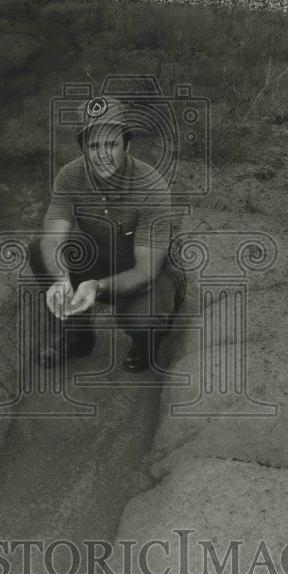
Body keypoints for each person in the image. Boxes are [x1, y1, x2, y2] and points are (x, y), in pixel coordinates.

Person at [29, 95, 186, 373]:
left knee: (141, 319)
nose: (102, 155)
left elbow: (146, 271)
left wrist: (97, 287)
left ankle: (147, 341)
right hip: (102, 256)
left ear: (127, 144)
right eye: (94, 145)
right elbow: (53, 238)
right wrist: (61, 280)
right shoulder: (69, 176)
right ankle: (78, 334)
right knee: (39, 249)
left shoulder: (151, 186)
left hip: (149, 268)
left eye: (111, 144)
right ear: (83, 149)